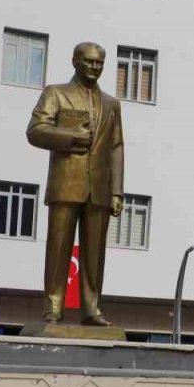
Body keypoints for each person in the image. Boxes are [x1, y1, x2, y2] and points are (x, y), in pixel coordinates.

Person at [26, 42, 125, 327]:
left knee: (95, 254)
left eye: (100, 63)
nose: (95, 67)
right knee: (59, 250)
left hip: (100, 190)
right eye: (89, 61)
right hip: (66, 184)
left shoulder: (111, 104)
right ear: (75, 61)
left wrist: (117, 190)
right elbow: (35, 131)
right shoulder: (56, 93)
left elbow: (116, 147)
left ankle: (92, 309)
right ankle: (53, 308)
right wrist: (70, 136)